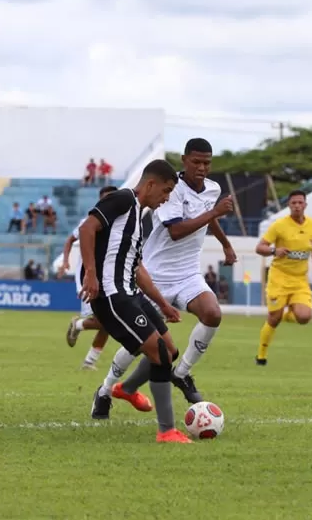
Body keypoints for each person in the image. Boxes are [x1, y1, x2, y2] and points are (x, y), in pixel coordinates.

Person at [111, 138, 237, 406]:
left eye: (207, 162)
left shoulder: (212, 189)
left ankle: (182, 373)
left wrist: (226, 244)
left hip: (188, 274)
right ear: (184, 160)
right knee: (141, 343)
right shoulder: (172, 189)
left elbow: (209, 218)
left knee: (213, 314)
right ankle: (106, 389)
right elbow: (176, 231)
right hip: (155, 277)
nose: (202, 168)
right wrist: (214, 211)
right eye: (196, 162)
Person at [79, 159, 192, 444]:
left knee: (170, 350)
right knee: (161, 356)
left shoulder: (141, 218)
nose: (166, 198)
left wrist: (163, 305)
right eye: (166, 191)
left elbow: (136, 267)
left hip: (131, 293)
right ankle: (167, 431)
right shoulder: (122, 198)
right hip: (112, 295)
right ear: (151, 184)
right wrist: (90, 274)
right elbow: (86, 229)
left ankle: (126, 390)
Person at [254, 190, 312, 365]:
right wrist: (273, 251)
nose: (297, 206)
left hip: (300, 280)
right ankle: (261, 355)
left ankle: (284, 313)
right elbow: (260, 247)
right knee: (273, 319)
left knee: (304, 317)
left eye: (300, 203)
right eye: (294, 203)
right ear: (289, 205)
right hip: (279, 278)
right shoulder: (279, 226)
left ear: (305, 205)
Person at [59, 185, 118, 370]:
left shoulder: (120, 223)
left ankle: (89, 362)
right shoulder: (89, 221)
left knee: (111, 322)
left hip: (109, 277)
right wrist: (65, 261)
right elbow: (70, 239)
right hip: (87, 276)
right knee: (104, 321)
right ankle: (78, 324)